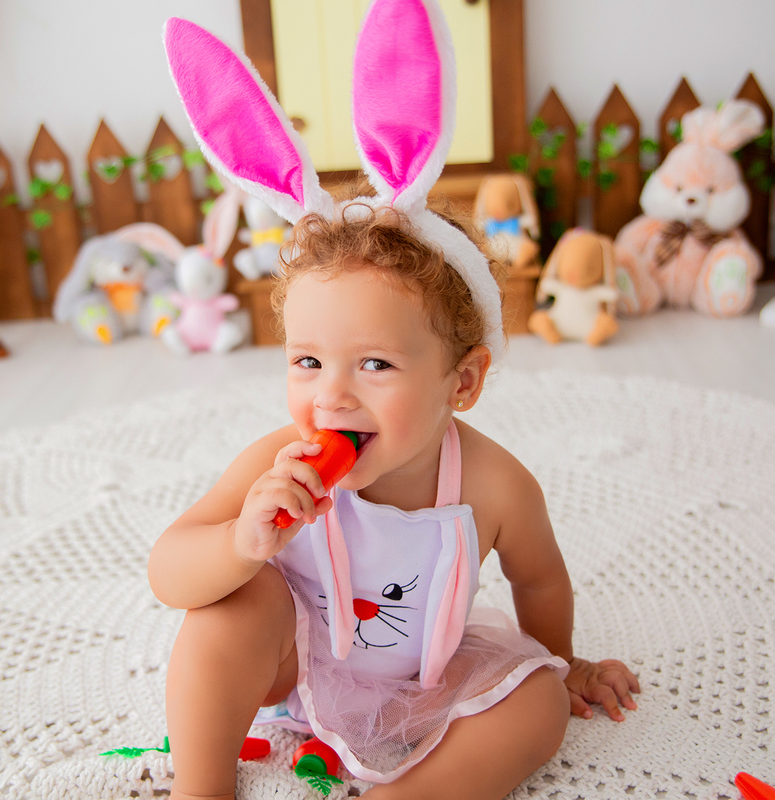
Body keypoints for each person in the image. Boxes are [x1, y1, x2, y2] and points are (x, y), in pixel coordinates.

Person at [153, 5, 638, 798]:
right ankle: (198, 789)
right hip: (293, 666)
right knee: (221, 615)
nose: (330, 393)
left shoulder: (494, 485)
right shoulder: (280, 460)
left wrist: (563, 659)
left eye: (374, 362)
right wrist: (242, 544)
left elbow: (540, 580)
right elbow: (169, 574)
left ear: (463, 383)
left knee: (538, 709)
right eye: (307, 360)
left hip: (429, 675)